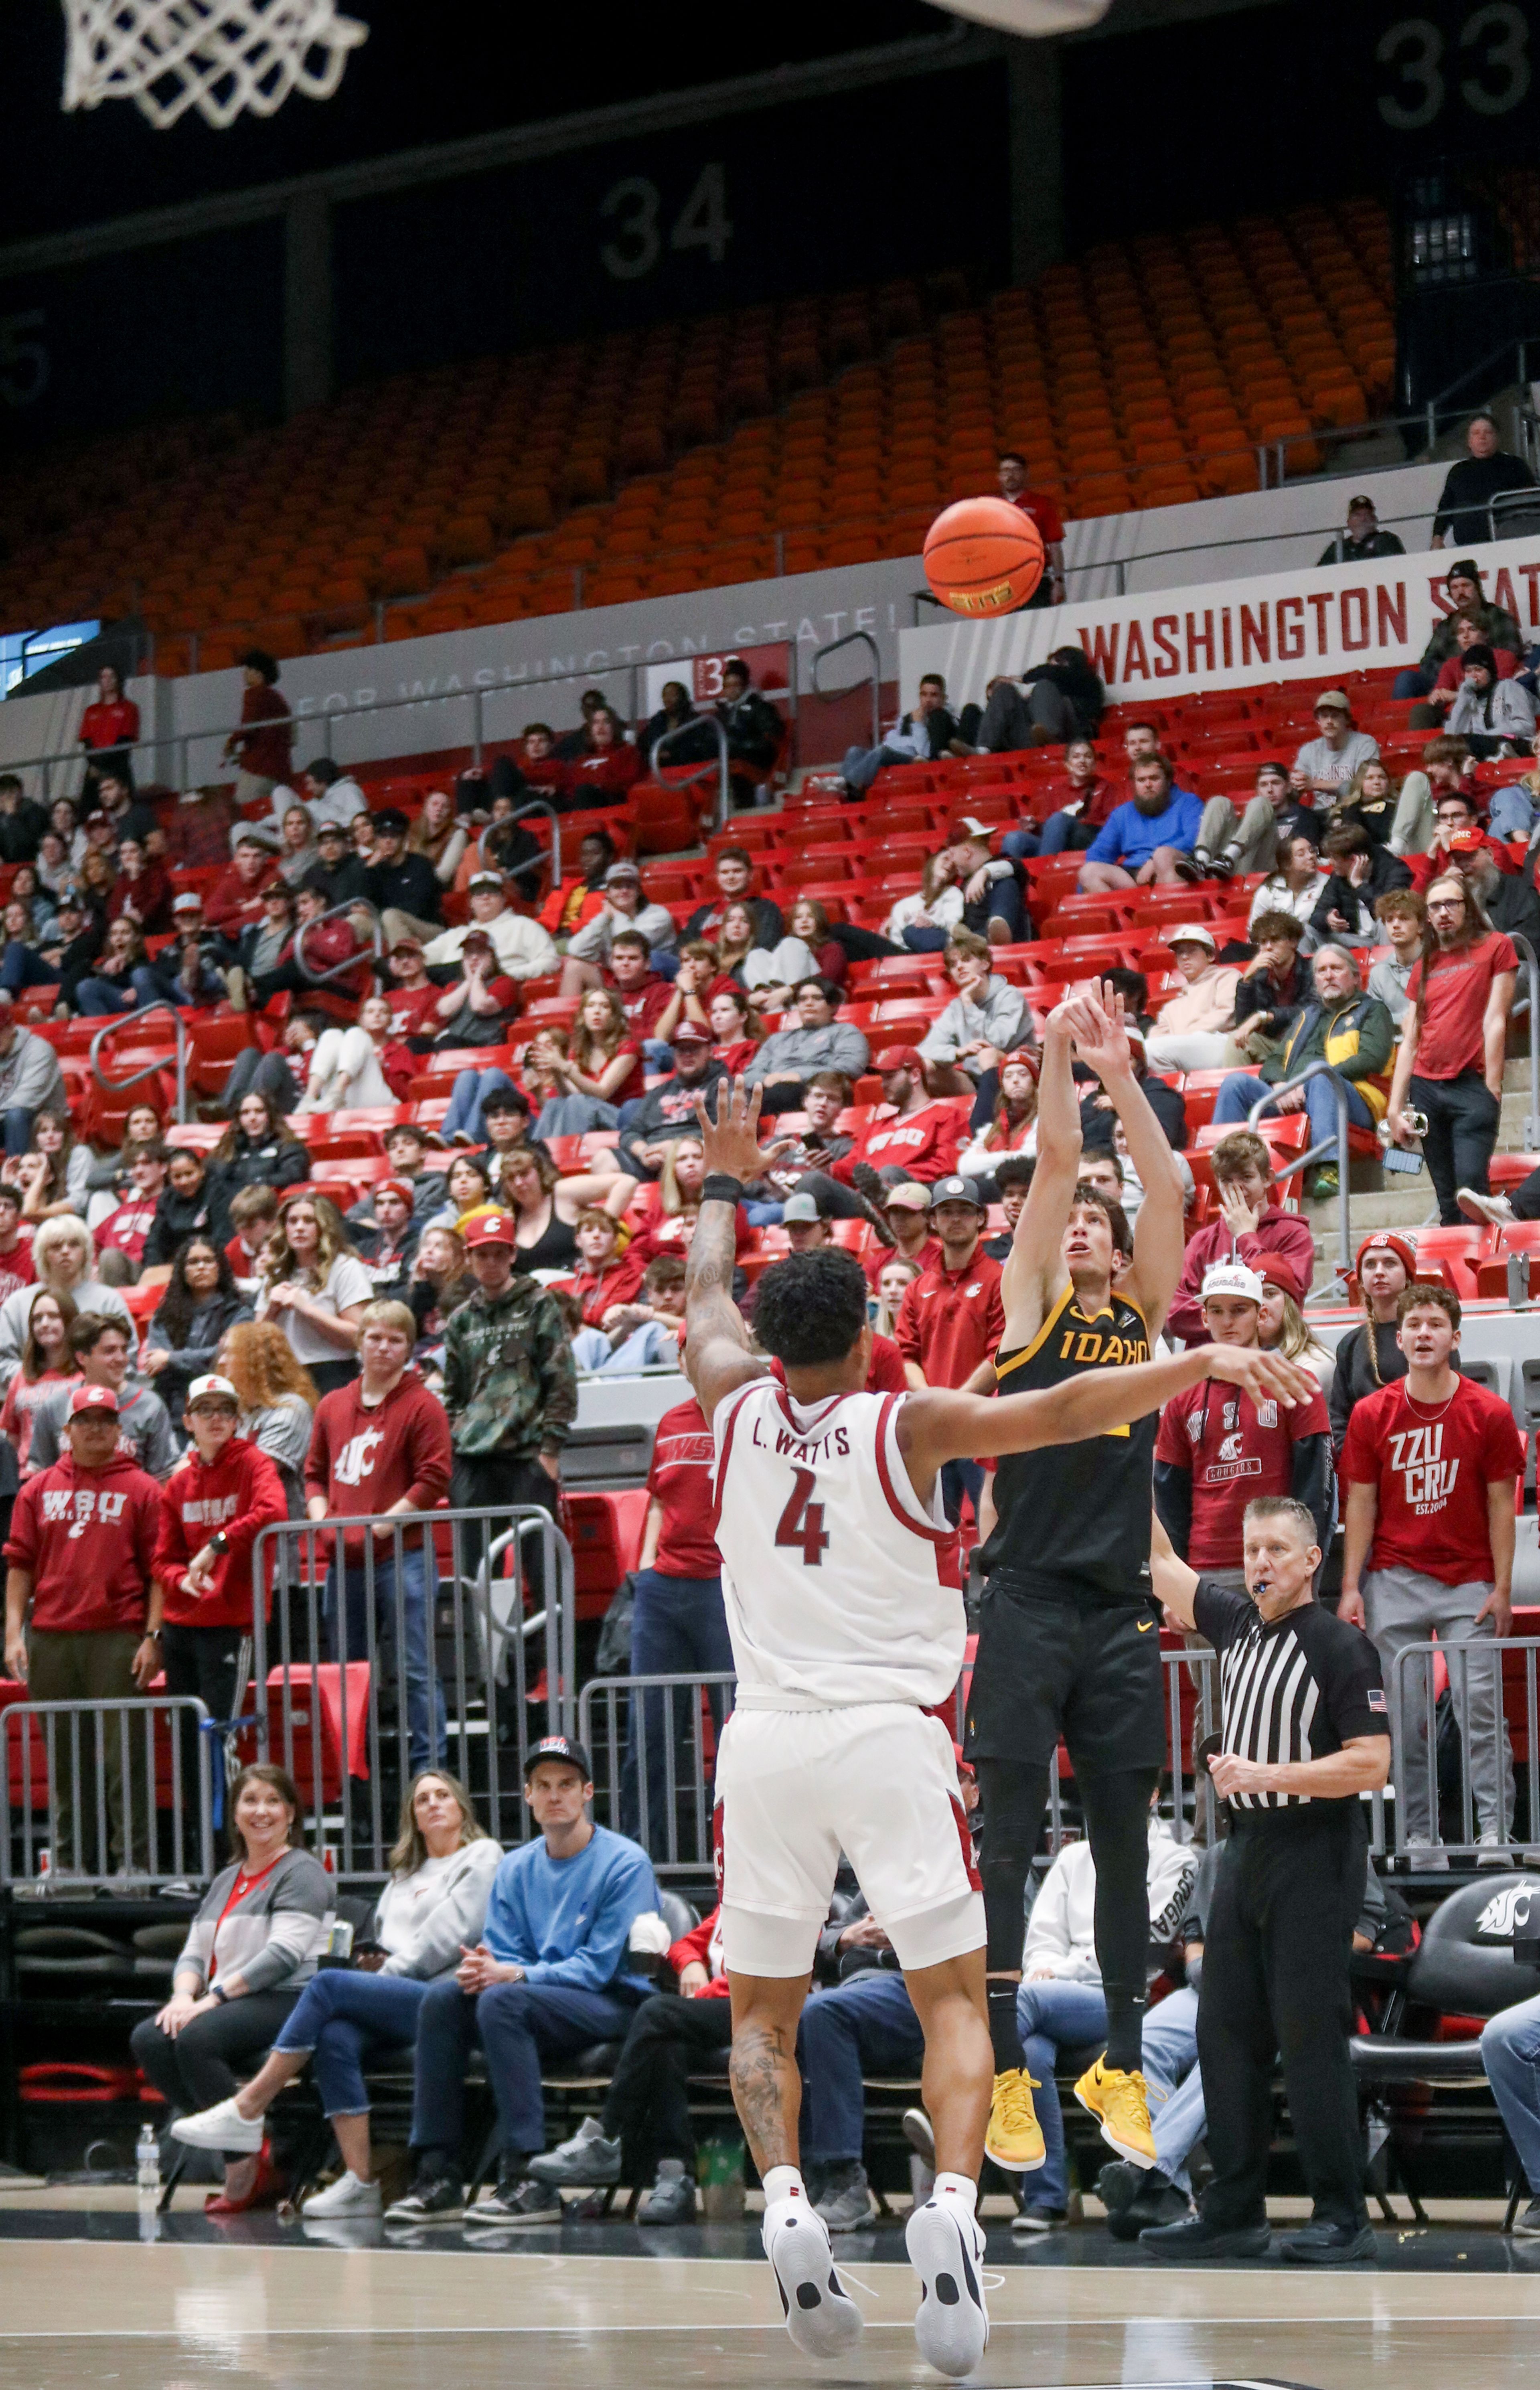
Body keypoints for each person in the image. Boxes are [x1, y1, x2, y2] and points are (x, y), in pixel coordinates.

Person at [679, 1074, 1307, 2370]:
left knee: (761, 2016)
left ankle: (789, 2203)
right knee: (958, 2001)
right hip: (890, 1738)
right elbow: (1064, 1411)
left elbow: (698, 1299)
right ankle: (955, 2214)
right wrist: (1195, 1356)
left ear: (772, 1340)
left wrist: (724, 1184)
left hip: (767, 1746)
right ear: (869, 1339)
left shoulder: (729, 1405)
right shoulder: (904, 1423)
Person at [965, 986, 1186, 2186]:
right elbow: (1056, 1160)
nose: (1093, 1226)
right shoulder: (1029, 1310)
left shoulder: (1145, 1322)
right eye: (1082, 1222)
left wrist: (1126, 1082)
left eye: (1104, 1219)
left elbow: (1176, 1193)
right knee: (1005, 1844)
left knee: (1118, 1846)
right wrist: (1058, 1051)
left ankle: (1113, 2058)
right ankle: (1006, 2063)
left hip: (1113, 1613)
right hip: (1026, 1601)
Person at [1145, 1502, 1390, 2263]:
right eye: (1252, 1549)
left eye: (1277, 1550)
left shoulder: (1343, 1646)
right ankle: (1235, 2210)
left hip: (1316, 1851)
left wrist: (1265, 1774)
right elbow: (1162, 1567)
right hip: (1246, 1849)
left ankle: (1342, 2214)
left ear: (1312, 1561)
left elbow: (1372, 1761)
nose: (1259, 1563)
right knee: (1224, 2031)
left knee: (1309, 2034)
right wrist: (1130, 1439)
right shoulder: (1237, 1623)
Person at [170, 1768, 501, 2219]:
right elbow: (386, 1941)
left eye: (444, 1795)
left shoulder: (483, 1855)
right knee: (335, 2034)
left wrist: (380, 1978)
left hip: (448, 1997)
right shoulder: (403, 1876)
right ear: (414, 1819)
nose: (433, 1804)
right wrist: (372, 1964)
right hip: (397, 1994)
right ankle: (360, 2180)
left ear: (462, 1808)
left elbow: (445, 1938)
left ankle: (249, 2105)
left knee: (326, 1985)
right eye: (422, 1799)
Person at [383, 1736, 658, 2227]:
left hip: (611, 2003)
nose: (555, 1795)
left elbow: (598, 1967)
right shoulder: (514, 1866)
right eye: (543, 1785)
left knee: (501, 2003)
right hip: (532, 1998)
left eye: (567, 1784)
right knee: (442, 1999)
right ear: (528, 1796)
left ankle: (529, 2177)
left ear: (588, 1791)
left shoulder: (626, 1862)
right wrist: (484, 1967)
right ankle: (438, 2175)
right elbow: (504, 1952)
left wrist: (512, 1973)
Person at [1340, 1282, 1524, 1861]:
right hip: (1394, 1577)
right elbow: (1361, 1503)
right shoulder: (1373, 1413)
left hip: (1469, 1581)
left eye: (1435, 1325)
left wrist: (1501, 1588)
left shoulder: (1488, 1412)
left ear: (1455, 1338)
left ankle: (1495, 1832)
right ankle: (1421, 1837)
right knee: (1408, 1719)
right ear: (1399, 1339)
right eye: (1414, 1324)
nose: (1423, 1333)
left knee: (1481, 1712)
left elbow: (1502, 1504)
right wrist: (1351, 1586)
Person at [131, 1765, 330, 2213]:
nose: (261, 1810)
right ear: (235, 1814)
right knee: (151, 2037)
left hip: (292, 1997)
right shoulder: (226, 1879)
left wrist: (211, 2000)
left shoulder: (303, 1872)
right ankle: (249, 2150)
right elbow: (194, 1953)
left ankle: (241, 2169)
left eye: (273, 1801)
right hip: (232, 2000)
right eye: (250, 1800)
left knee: (198, 2035)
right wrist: (184, 1996)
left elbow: (284, 1955)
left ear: (292, 1813)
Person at [999, 1794, 1199, 2231]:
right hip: (1054, 1998)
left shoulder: (1177, 1859)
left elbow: (1143, 1950)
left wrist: (1059, 1974)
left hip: (1131, 2000)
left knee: (1023, 2003)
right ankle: (1048, 2198)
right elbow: (1040, 1941)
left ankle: (975, 2108)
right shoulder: (1073, 1858)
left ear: (1151, 1795)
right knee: (1030, 2051)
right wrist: (1044, 1973)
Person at [3, 1383, 164, 1874]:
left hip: (118, 1636)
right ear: (66, 1430)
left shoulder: (144, 1489)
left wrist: (154, 1638)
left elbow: (160, 1570)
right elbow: (20, 1565)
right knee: (66, 1763)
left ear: (120, 1431)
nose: (95, 1427)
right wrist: (13, 1633)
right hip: (49, 1638)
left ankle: (133, 1869)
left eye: (105, 1419)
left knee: (125, 1762)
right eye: (85, 1419)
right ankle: (72, 1868)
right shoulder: (37, 1488)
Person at [305, 1301, 454, 1779]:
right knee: (345, 1673)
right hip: (343, 1561)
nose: (383, 1347)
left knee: (416, 1668)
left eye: (395, 1340)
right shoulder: (332, 1404)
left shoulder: (422, 1404)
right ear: (360, 1341)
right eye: (375, 1337)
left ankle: (428, 1775)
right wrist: (320, 1520)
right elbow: (313, 1474)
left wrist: (389, 1522)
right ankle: (351, 1772)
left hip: (403, 1556)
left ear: (410, 1349)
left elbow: (435, 1476)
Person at [1155, 1260, 1333, 1581]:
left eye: (1239, 1310)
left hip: (1279, 1565)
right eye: (1218, 1311)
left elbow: (1316, 1488)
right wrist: (1175, 1580)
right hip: (1205, 1567)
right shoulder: (1181, 1397)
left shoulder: (1296, 1383)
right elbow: (1169, 1498)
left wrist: (1306, 1567)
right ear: (1204, 1317)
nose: (1227, 1321)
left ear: (1262, 1315)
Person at [154, 1372, 288, 1779]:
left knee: (220, 1737)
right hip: (180, 1625)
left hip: (231, 1623)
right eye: (205, 1409)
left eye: (226, 1410)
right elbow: (163, 1559)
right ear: (188, 1420)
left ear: (236, 1421)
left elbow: (273, 1511)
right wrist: (182, 1579)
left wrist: (218, 1543)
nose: (216, 1418)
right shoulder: (178, 1483)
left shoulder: (253, 1463)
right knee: (186, 1739)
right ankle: (198, 1839)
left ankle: (226, 1840)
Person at [620, 1392, 733, 1852]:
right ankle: (639, 1856)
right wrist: (647, 1568)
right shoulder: (671, 1420)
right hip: (664, 1586)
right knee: (648, 1729)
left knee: (736, 1730)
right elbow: (658, 1501)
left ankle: (733, 1851)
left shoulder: (750, 1413)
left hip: (724, 1585)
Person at [441, 1211, 576, 1582]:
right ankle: (486, 1644)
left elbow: (561, 1378)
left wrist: (550, 1450)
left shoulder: (539, 1305)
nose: (491, 1263)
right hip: (473, 1461)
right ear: (469, 1259)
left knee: (542, 1568)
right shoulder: (461, 1321)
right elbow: (453, 1393)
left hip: (528, 1457)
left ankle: (548, 1641)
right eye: (483, 1255)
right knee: (476, 1572)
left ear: (513, 1256)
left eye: (500, 1254)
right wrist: (457, 1443)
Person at [1209, 944, 1395, 1197]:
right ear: (1315, 982)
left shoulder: (1373, 1010)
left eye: (1336, 969)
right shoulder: (1307, 1016)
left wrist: (1307, 1082)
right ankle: (1219, 1173)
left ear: (1355, 978)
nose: (1328, 975)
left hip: (1354, 1099)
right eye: (1321, 971)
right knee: (1236, 1084)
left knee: (1321, 1074)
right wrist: (1279, 1086)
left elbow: (1371, 1059)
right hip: (1296, 1095)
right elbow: (1275, 1059)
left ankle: (1328, 1169)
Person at [1386, 870, 1516, 1223]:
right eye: (1435, 906)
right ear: (1427, 916)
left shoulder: (1497, 947)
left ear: (1467, 907)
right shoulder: (1424, 964)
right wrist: (1395, 1107)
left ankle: (1489, 1270)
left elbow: (1496, 1019)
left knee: (1472, 1194)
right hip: (1427, 1088)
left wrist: (1492, 1087)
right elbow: (1410, 1038)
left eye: (1451, 904)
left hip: (1471, 1083)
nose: (1443, 912)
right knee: (1447, 1202)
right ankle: (1455, 1277)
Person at [894, 1177, 1005, 1527]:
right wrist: (934, 1403)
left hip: (981, 1427)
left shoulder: (1001, 1279)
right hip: (935, 1430)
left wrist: (954, 1404)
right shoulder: (917, 1288)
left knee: (992, 1527)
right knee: (932, 1531)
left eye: (964, 1212)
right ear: (933, 1220)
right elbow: (906, 1355)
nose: (956, 1219)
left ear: (981, 1218)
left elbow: (1002, 1352)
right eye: (947, 1212)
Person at [1167, 1130, 1317, 1345]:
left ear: (1267, 1178)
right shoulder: (1203, 1241)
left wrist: (1247, 1237)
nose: (1237, 1188)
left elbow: (1282, 1309)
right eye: (1227, 1180)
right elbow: (1176, 1315)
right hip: (1212, 1365)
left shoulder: (1294, 1233)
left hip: (1270, 1358)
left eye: (1246, 1177)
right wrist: (1241, 1318)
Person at [25, 1311, 176, 1481]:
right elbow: (39, 1477)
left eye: (124, 1350)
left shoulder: (150, 1406)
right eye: (110, 1351)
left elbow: (163, 1480)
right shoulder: (55, 1406)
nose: (121, 1359)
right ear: (82, 1357)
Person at [254, 1194, 373, 1396]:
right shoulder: (277, 1273)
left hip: (333, 1373)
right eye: (293, 1221)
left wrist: (307, 1310)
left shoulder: (345, 1267)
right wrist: (272, 1311)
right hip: (284, 1373)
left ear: (324, 1226)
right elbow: (255, 1340)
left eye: (309, 1221)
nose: (299, 1228)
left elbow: (358, 1336)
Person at [0, 1217, 135, 1386]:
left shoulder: (109, 1300)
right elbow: (2, 1361)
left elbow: (129, 1356)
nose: (65, 1251)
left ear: (86, 1252)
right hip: (33, 1395)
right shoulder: (17, 1304)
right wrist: (42, 1379)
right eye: (56, 1247)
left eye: (74, 1245)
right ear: (43, 1254)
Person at [141, 1238, 253, 1416]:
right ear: (182, 1270)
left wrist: (171, 1358)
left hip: (225, 1403)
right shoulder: (164, 1315)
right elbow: (156, 1362)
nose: (201, 1267)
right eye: (193, 1262)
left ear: (220, 1266)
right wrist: (190, 1361)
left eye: (208, 1261)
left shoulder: (239, 1311)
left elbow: (226, 1357)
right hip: (174, 1405)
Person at [917, 931, 1035, 1100]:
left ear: (985, 963)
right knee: (925, 1068)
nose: (959, 967)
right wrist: (958, 1053)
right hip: (975, 1080)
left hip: (1017, 1072)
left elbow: (996, 1042)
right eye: (953, 965)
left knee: (988, 1055)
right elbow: (924, 1051)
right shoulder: (956, 1008)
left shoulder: (1010, 996)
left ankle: (988, 1114)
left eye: (966, 960)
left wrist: (970, 1006)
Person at [219, 1321, 319, 1517]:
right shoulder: (238, 1408)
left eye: (230, 1353)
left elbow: (251, 1475)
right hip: (240, 1528)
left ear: (253, 1361)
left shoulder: (292, 1409)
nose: (222, 1361)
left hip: (280, 1535)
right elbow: (187, 1464)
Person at [1327, 1230, 1414, 1450]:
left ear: (1408, 1277)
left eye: (1390, 1263)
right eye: (1370, 1265)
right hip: (1364, 1466)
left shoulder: (1429, 1336)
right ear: (1361, 1281)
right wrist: (1354, 1461)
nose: (1379, 1272)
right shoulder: (1350, 1344)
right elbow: (1338, 1417)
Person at [1395, 560, 1527, 704]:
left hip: (1490, 684)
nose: (1460, 592)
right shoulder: (1446, 626)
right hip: (1449, 683)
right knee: (1406, 679)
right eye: (1455, 587)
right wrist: (1456, 673)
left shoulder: (1498, 617)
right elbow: (1428, 663)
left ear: (1477, 587)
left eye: (1466, 585)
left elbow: (1511, 653)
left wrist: (1476, 670)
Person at [1077, 756, 1202, 894]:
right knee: (1088, 872)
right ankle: (1129, 913)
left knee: (1163, 855)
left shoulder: (1189, 802)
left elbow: (1196, 838)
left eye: (1154, 778)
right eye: (1141, 780)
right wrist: (1083, 888)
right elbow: (1098, 854)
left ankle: (1168, 914)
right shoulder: (1122, 813)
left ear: (1168, 781)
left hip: (1173, 865)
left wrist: (1154, 860)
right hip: (1133, 876)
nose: (1148, 785)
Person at [1191, 759, 1323, 885]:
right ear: (1258, 790)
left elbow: (1305, 857)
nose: (1270, 790)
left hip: (1273, 870)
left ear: (1289, 787)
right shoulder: (1250, 818)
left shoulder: (1305, 816)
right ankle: (1201, 861)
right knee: (1219, 802)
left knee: (1261, 804)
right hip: (1235, 866)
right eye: (1264, 785)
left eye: (1276, 783)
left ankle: (1228, 858)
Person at [744, 977, 870, 1108]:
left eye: (817, 998)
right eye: (803, 999)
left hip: (815, 1091)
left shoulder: (846, 1032)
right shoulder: (777, 1039)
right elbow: (750, 1074)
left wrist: (799, 1077)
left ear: (833, 1005)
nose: (809, 1003)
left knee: (782, 1093)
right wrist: (766, 1079)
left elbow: (850, 1067)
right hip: (772, 1089)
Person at [423, 870, 559, 980]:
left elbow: (551, 961)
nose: (485, 896)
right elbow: (421, 958)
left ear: (504, 898)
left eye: (492, 892)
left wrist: (506, 976)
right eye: (479, 893)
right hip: (453, 991)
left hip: (499, 991)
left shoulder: (524, 926)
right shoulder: (456, 934)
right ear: (471, 902)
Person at [1143, 927, 1242, 1073]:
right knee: (1143, 1052)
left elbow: (1227, 1013)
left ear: (1210, 956)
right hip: (1185, 1049)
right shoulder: (1171, 1007)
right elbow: (1156, 1036)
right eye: (1180, 953)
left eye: (1192, 951)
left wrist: (1184, 1036)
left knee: (1151, 1050)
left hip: (1223, 1044)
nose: (1184, 957)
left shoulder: (1228, 976)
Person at [1431, 411, 1537, 548]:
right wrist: (1438, 538)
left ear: (1497, 438)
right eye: (1476, 433)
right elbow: (1446, 508)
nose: (1482, 437)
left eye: (1488, 432)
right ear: (1469, 441)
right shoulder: (1458, 472)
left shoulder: (1515, 465)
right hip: (1467, 547)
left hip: (1510, 544)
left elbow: (1532, 501)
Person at [968, 647, 1103, 754]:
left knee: (1044, 686)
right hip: (1031, 739)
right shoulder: (1043, 691)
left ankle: (1049, 736)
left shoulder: (1090, 682)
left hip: (1069, 739)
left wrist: (1023, 678)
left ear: (1067, 663)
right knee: (1005, 690)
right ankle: (983, 749)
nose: (1050, 668)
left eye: (1054, 665)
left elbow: (1053, 673)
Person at [1002, 736, 1117, 861]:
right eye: (1076, 757)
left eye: (1088, 757)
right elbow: (1050, 830)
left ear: (1094, 764)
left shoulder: (1106, 787)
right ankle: (1011, 878)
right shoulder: (1055, 792)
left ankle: (1046, 874)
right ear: (1067, 764)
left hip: (1090, 839)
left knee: (1059, 818)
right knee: (1014, 839)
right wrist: (1035, 827)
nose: (1082, 761)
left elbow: (1111, 827)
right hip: (1057, 843)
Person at [840, 674, 958, 795]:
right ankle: (844, 787)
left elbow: (925, 752)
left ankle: (845, 784)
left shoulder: (944, 719)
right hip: (894, 753)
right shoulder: (908, 718)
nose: (928, 700)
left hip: (913, 758)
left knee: (882, 752)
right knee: (854, 751)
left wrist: (918, 725)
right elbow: (893, 739)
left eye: (934, 695)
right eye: (924, 695)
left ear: (943, 698)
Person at [0, 1288, 77, 1473]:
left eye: (53, 1316)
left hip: (69, 1475)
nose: (44, 1324)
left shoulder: (85, 1375)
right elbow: (12, 1436)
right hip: (25, 1477)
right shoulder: (22, 1376)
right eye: (37, 1319)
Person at [221, 652, 293, 808]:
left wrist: (231, 742)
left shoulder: (254, 694)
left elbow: (248, 725)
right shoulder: (279, 700)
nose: (244, 674)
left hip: (258, 769)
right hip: (281, 772)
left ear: (258, 673)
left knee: (244, 812)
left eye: (248, 670)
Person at [996, 450, 1067, 606]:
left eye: (1015, 470)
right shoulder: (992, 508)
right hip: (1002, 584)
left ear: (1025, 474)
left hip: (1037, 579)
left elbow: (1055, 546)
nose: (1010, 475)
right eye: (1006, 471)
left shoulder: (1042, 504)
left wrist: (1059, 581)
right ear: (999, 476)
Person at [1446, 642, 1539, 757]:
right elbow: (1454, 734)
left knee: (1471, 743)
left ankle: (1505, 754)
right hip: (1484, 745)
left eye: (1478, 670)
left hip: (1519, 742)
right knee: (1453, 746)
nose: (1473, 676)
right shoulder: (1469, 699)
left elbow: (1527, 726)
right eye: (1468, 671)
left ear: (1490, 671)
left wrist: (1490, 735)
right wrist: (1462, 699)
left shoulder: (1508, 687)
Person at [681, 848, 784, 951]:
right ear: (718, 878)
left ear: (750, 875)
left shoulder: (766, 909)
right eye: (725, 873)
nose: (731, 877)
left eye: (737, 871)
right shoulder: (704, 912)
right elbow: (682, 947)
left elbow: (764, 947)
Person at [0, 1008, 66, 1158]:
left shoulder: (39, 1050)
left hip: (45, 1121)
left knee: (16, 1116)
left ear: (11, 1029)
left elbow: (24, 1101)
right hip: (5, 1119)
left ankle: (20, 1177)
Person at [1291, 691, 1379, 801]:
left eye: (1335, 716)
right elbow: (1296, 790)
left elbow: (1365, 785)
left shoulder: (1365, 744)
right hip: (1319, 813)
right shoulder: (1309, 750)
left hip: (1355, 809)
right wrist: (1295, 783)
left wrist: (1314, 783)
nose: (1329, 722)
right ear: (1318, 721)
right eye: (1324, 716)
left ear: (1347, 719)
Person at [78, 663, 140, 799]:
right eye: (103, 677)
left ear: (118, 680)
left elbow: (124, 741)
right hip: (95, 768)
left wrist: (102, 768)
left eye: (111, 677)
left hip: (118, 767)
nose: (107, 681)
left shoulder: (129, 708)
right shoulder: (91, 711)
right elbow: (87, 742)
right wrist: (95, 765)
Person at [1369, 889, 1426, 1030]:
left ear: (1421, 926)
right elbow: (1373, 1019)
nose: (1395, 925)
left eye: (1404, 918)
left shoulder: (1438, 965)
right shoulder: (1378, 974)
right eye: (1389, 920)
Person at [1317, 493, 1405, 565]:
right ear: (1349, 522)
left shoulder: (1387, 541)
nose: (1363, 519)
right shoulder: (1338, 548)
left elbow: (1398, 567)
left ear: (1375, 519)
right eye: (1358, 515)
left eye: (1367, 514)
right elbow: (1320, 576)